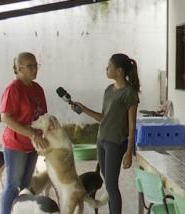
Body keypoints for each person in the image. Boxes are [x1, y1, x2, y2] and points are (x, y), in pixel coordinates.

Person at [71, 53, 140, 214]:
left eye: (109, 66)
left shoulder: (129, 93)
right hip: (101, 140)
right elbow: (103, 117)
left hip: (116, 143)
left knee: (111, 186)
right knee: (108, 183)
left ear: (119, 71)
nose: (106, 69)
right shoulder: (109, 90)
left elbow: (131, 125)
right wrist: (83, 108)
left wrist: (129, 152)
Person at [0, 52, 48, 214]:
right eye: (30, 66)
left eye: (36, 65)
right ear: (19, 69)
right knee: (13, 185)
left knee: (26, 185)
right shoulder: (13, 89)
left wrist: (44, 135)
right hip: (16, 144)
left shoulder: (38, 89)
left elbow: (42, 117)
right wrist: (31, 134)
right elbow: (5, 117)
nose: (35, 69)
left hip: (32, 144)